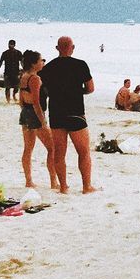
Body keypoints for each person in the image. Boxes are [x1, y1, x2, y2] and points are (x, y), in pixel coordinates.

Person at [42, 36, 97, 194]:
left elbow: (44, 90)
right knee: (84, 151)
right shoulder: (80, 65)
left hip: (57, 112)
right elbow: (90, 88)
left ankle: (64, 186)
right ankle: (86, 186)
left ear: (57, 48)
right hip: (75, 111)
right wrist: (79, 91)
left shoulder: (49, 67)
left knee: (59, 153)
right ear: (72, 48)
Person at [17, 50, 56, 190]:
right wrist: (42, 120)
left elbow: (21, 99)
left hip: (25, 112)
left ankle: (28, 180)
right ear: (34, 64)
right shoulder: (34, 78)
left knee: (28, 148)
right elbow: (36, 102)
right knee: (52, 148)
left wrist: (25, 112)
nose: (42, 63)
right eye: (41, 60)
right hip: (34, 114)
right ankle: (53, 182)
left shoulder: (24, 76)